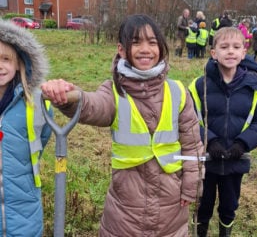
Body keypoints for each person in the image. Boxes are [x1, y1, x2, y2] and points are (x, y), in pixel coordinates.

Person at [41, 14, 204, 236]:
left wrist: (192, 185)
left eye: (152, 42)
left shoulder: (178, 92)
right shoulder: (114, 91)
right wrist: (71, 97)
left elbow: (192, 145)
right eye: (136, 42)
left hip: (171, 202)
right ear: (121, 49)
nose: (145, 49)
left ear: (162, 48)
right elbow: (93, 106)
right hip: (126, 204)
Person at [188, 27, 257, 237]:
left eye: (236, 47)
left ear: (244, 53)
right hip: (205, 161)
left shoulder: (253, 88)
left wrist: (242, 144)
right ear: (213, 53)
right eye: (224, 47)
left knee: (229, 206)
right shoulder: (200, 86)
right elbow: (187, 120)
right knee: (203, 205)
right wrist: (210, 141)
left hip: (235, 162)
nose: (230, 52)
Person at [0, 20, 53, 236]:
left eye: (6, 59)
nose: (0, 65)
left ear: (19, 63)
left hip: (24, 209)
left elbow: (44, 137)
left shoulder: (35, 104)